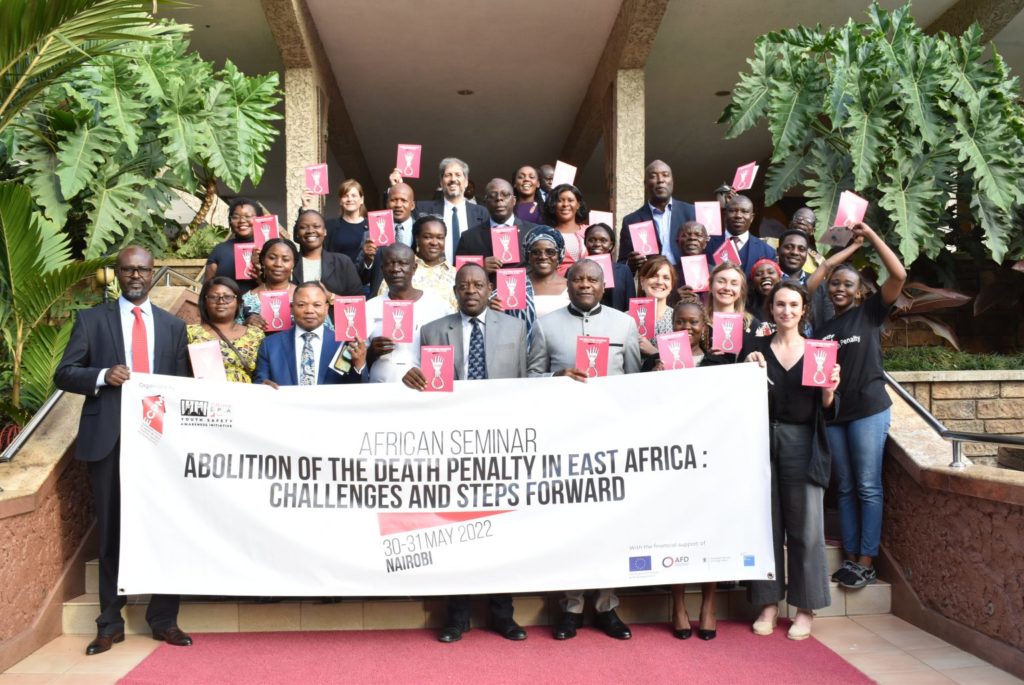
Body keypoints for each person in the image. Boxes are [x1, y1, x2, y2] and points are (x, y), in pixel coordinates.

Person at [54, 246, 193, 655]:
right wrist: (101, 375)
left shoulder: (172, 327)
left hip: (160, 443)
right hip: (110, 440)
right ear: (117, 274)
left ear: (153, 274)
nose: (136, 276)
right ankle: (109, 624)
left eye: (143, 270)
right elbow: (65, 373)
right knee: (113, 533)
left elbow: (183, 386)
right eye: (128, 270)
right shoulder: (91, 321)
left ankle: (164, 620)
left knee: (165, 529)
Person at [402, 264, 541, 643]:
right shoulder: (433, 330)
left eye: (479, 284)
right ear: (456, 290)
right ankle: (457, 616)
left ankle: (502, 614)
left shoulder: (515, 327)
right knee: (456, 529)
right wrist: (411, 378)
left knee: (501, 530)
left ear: (489, 288)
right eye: (464, 286)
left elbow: (531, 380)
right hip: (453, 445)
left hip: (501, 443)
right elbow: (422, 383)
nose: (472, 291)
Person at [535, 259, 639, 639]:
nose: (584, 284)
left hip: (610, 442)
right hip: (566, 440)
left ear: (603, 283)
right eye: (577, 278)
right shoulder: (545, 326)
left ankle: (607, 605)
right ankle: (571, 606)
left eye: (592, 279)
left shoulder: (624, 324)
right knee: (570, 524)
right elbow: (530, 378)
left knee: (610, 524)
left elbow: (632, 381)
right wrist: (555, 377)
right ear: (568, 282)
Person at [811, 222, 907, 591]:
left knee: (868, 485)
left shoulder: (870, 313)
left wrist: (872, 236)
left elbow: (898, 274)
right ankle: (851, 557)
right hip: (835, 414)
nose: (838, 288)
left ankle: (866, 560)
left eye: (847, 283)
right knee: (847, 486)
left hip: (869, 409)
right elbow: (815, 277)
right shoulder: (821, 327)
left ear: (859, 290)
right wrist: (848, 251)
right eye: (836, 283)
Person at [744, 281, 841, 641]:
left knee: (807, 529)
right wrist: (745, 365)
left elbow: (828, 409)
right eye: (780, 304)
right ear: (771, 309)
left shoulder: (819, 351)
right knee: (765, 527)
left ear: (804, 310)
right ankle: (768, 603)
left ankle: (805, 607)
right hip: (761, 442)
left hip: (803, 441)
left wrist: (830, 389)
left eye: (793, 305)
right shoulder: (754, 349)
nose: (786, 310)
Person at [656, 295, 725, 638]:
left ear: (704, 327)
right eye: (679, 322)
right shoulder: (656, 364)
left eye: (693, 322)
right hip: (672, 464)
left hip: (709, 462)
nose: (686, 328)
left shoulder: (720, 364)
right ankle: (679, 603)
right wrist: (652, 377)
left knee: (707, 534)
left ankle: (708, 604)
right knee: (675, 533)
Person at [365, 243, 452, 383]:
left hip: (424, 391)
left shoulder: (439, 306)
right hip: (381, 393)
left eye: (402, 263)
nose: (395, 269)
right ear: (382, 269)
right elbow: (353, 360)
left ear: (414, 268)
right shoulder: (369, 308)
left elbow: (452, 354)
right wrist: (371, 352)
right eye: (389, 264)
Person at [253, 282, 366, 386]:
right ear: (291, 308)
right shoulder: (270, 345)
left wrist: (359, 366)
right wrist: (263, 387)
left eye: (317, 305)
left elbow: (360, 389)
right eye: (301, 305)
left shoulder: (345, 343)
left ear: (326, 309)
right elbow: (260, 382)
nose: (309, 310)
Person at [618, 160, 696, 273]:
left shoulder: (691, 212)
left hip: (686, 279)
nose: (660, 180)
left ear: (672, 181)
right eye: (653, 176)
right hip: (652, 281)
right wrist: (631, 263)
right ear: (645, 184)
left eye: (665, 175)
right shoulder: (632, 221)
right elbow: (623, 264)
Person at [410, 158, 490, 262]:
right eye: (448, 175)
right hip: (434, 275)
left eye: (458, 175)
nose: (453, 179)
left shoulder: (482, 213)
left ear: (466, 182)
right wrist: (396, 186)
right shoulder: (422, 209)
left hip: (470, 275)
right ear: (441, 182)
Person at [187, 277, 264, 382]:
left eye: (228, 297)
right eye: (214, 297)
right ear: (204, 302)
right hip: (205, 396)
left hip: (245, 396)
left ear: (238, 302)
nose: (221, 301)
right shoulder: (190, 333)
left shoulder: (255, 334)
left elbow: (263, 373)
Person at [379, 215, 459, 312]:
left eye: (440, 237)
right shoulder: (399, 270)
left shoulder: (456, 274)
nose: (434, 242)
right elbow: (382, 305)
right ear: (417, 239)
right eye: (428, 237)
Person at [458, 178, 536, 271]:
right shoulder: (468, 238)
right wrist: (480, 268)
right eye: (492, 195)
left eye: (505, 195)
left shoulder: (533, 233)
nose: (499, 198)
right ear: (485, 202)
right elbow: (459, 274)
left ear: (514, 201)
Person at [360, 182, 418, 294]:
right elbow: (362, 278)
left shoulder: (422, 232)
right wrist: (367, 260)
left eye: (403, 200)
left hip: (414, 298)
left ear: (412, 205)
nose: (398, 204)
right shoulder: (371, 233)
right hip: (380, 298)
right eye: (393, 200)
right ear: (387, 203)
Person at [292, 209, 363, 300]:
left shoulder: (343, 262)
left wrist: (330, 296)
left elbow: (358, 302)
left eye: (316, 226)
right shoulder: (290, 264)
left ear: (325, 231)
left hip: (334, 314)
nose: (310, 231)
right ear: (297, 234)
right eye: (303, 227)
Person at [705, 194, 776, 274]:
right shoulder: (707, 244)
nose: (738, 215)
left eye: (744, 211)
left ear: (752, 217)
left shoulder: (767, 252)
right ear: (725, 215)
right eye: (733, 211)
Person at [204, 197, 262, 293]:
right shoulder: (219, 250)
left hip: (260, 306)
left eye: (248, 216)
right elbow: (207, 288)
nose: (242, 221)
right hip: (224, 305)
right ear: (230, 222)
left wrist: (261, 277)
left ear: (259, 219)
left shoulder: (268, 249)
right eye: (235, 217)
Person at [778, 228, 833, 329]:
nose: (795, 252)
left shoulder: (821, 285)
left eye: (801, 249)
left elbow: (829, 323)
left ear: (806, 255)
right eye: (789, 247)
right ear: (778, 250)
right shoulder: (767, 281)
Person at [239, 238, 299, 330]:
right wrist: (244, 325)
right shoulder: (246, 300)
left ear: (294, 263)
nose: (278, 264)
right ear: (262, 260)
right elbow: (232, 335)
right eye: (272, 258)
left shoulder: (305, 297)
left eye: (286, 259)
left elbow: (326, 330)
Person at [706, 262, 759, 357]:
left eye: (734, 284)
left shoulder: (752, 325)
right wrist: (707, 358)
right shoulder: (698, 323)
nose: (727, 288)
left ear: (740, 291)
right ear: (710, 286)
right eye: (721, 281)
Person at [583, 222, 635, 311]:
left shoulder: (623, 271)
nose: (597, 244)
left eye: (603, 240)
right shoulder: (574, 270)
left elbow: (630, 304)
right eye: (592, 240)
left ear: (611, 245)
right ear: (585, 243)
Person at [544, 184, 589, 275]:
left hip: (588, 285)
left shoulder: (589, 231)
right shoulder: (546, 235)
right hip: (558, 287)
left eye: (570, 200)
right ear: (554, 205)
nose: (565, 204)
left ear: (578, 205)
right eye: (560, 200)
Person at [324, 179, 369, 265]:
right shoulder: (330, 225)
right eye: (345, 196)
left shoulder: (372, 225)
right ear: (340, 201)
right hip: (338, 276)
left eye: (354, 195)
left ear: (361, 200)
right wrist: (305, 208)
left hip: (364, 277)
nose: (349, 199)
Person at [637, 255, 677, 339]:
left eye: (666, 278)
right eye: (654, 276)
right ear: (642, 281)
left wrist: (653, 351)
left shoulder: (679, 319)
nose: (659, 282)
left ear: (672, 285)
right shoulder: (627, 319)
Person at [748, 258, 783, 324]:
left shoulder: (788, 305)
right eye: (759, 274)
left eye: (771, 272)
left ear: (780, 278)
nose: (765, 276)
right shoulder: (746, 311)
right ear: (752, 283)